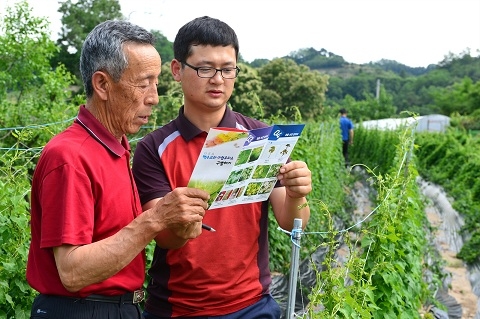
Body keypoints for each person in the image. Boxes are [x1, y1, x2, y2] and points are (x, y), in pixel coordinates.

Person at [26, 20, 209, 319]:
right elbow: (72, 272)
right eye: (143, 83)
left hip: (119, 308)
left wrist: (181, 223)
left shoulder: (116, 146)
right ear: (102, 85)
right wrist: (155, 219)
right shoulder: (71, 156)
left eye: (156, 82)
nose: (154, 97)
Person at [132, 16, 312, 319]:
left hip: (253, 306)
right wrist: (182, 219)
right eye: (205, 68)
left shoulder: (261, 138)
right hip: (178, 309)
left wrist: (296, 193)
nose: (218, 79)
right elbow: (164, 237)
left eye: (228, 69)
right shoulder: (154, 148)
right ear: (177, 70)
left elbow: (292, 221)